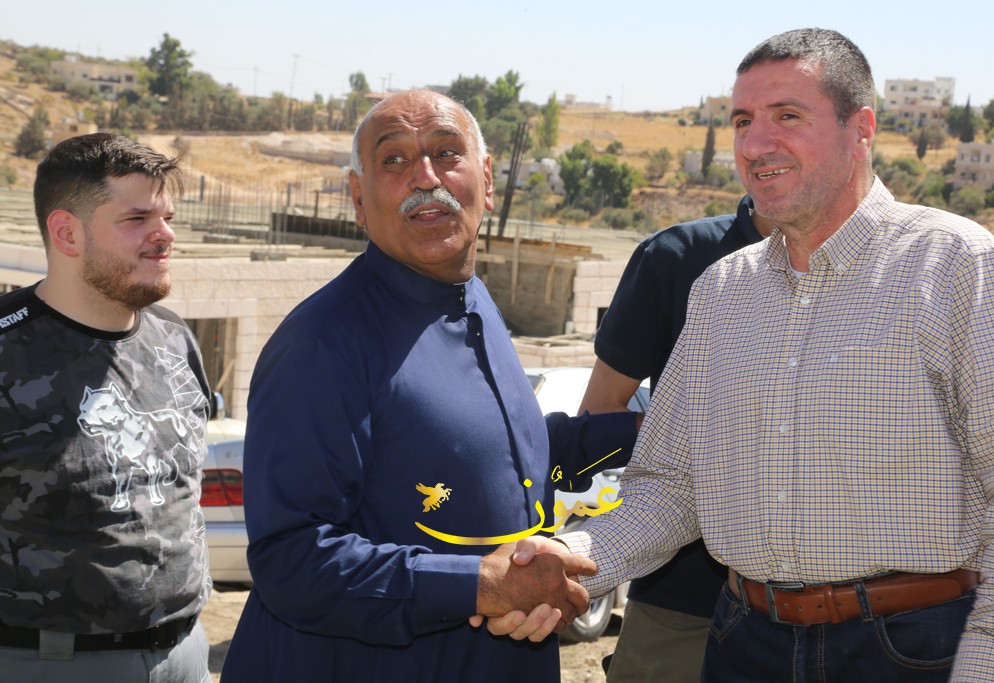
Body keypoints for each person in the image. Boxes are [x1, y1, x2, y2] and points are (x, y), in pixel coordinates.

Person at [501, 28, 994, 682]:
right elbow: (670, 487)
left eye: (787, 116)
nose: (753, 145)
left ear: (861, 129)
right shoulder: (721, 291)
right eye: (743, 121)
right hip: (743, 643)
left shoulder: (955, 265)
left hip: (914, 649)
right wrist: (570, 558)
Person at [219, 89, 639, 683]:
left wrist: (640, 432)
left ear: (486, 181)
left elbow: (493, 454)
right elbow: (291, 559)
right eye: (394, 160)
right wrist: (480, 586)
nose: (426, 177)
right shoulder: (323, 343)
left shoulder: (473, 300)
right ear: (358, 198)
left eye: (446, 152)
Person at [0, 133, 213, 682]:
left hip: (185, 654)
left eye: (167, 218)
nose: (165, 235)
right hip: (45, 663)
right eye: (137, 218)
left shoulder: (175, 338)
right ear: (67, 233)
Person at [578, 196, 772, 682]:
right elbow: (598, 415)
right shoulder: (677, 256)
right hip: (678, 605)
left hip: (850, 616)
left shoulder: (902, 262)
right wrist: (702, 440)